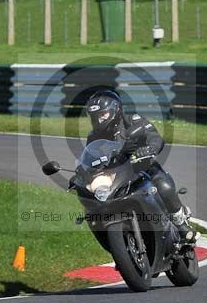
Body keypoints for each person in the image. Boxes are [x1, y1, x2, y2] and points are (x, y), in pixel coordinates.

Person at [84, 89, 198, 244]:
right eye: (94, 117)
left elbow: (155, 138)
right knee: (95, 207)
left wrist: (150, 149)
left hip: (142, 167)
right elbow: (90, 158)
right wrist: (83, 171)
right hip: (117, 176)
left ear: (115, 110)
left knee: (163, 185)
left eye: (102, 114)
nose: (99, 120)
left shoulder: (134, 121)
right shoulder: (93, 137)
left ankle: (180, 223)